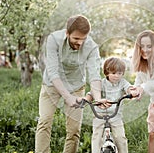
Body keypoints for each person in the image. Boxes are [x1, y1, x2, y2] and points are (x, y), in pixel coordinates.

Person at [35, 15, 108, 153]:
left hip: (76, 86)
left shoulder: (91, 47)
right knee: (44, 121)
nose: (80, 43)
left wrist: (97, 98)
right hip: (51, 85)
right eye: (76, 38)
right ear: (67, 33)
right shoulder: (54, 40)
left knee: (74, 129)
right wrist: (67, 97)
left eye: (83, 39)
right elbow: (52, 72)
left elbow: (94, 76)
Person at [86, 57, 132, 153]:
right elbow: (92, 93)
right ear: (107, 73)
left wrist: (131, 92)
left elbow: (128, 88)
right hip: (99, 115)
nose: (117, 76)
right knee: (96, 137)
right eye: (113, 73)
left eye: (120, 73)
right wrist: (87, 99)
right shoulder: (101, 83)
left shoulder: (122, 82)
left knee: (120, 137)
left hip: (116, 115)